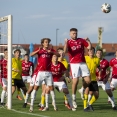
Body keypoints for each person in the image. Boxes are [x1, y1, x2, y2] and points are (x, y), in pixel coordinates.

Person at [23, 38, 57, 112]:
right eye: (46, 42)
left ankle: (53, 105)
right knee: (35, 88)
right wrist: (38, 50)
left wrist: (51, 52)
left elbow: (58, 54)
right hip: (40, 72)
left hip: (48, 72)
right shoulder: (39, 50)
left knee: (51, 88)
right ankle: (31, 106)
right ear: (42, 43)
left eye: (48, 42)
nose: (47, 43)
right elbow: (31, 54)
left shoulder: (51, 50)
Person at [64, 28, 91, 109]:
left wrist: (88, 40)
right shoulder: (69, 41)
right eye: (73, 33)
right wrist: (65, 43)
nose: (74, 35)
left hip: (82, 62)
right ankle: (74, 98)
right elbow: (65, 51)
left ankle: (82, 89)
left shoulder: (81, 40)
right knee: (75, 81)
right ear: (70, 34)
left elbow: (89, 47)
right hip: (74, 63)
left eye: (75, 33)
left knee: (88, 80)